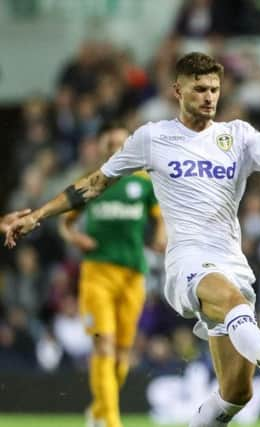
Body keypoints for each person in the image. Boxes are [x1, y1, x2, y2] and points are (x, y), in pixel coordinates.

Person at [5, 52, 260, 427]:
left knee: (237, 395)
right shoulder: (153, 137)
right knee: (232, 302)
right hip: (187, 261)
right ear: (177, 90)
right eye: (199, 88)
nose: (209, 96)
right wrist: (37, 215)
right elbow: (94, 183)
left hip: (232, 262)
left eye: (214, 89)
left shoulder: (237, 135)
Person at [57, 122, 165, 427]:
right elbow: (64, 222)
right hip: (97, 273)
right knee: (102, 345)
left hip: (133, 274)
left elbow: (160, 219)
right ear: (103, 150)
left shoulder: (144, 184)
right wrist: (75, 238)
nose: (115, 149)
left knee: (122, 353)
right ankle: (112, 421)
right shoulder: (92, 183)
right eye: (110, 144)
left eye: (121, 143)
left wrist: (159, 235)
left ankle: (99, 411)